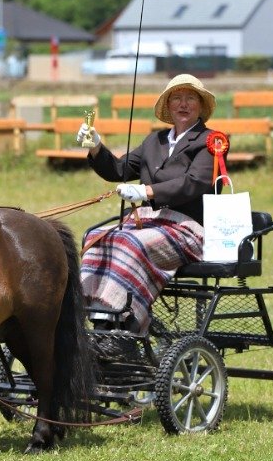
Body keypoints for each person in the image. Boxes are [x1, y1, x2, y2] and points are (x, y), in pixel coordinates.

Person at [76, 74, 219, 333]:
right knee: (96, 237)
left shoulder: (210, 141)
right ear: (169, 105)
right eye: (177, 98)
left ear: (200, 106)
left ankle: (126, 322)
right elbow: (118, 170)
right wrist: (97, 147)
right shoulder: (155, 141)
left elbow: (195, 182)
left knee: (130, 243)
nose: (183, 104)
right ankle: (98, 315)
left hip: (187, 229)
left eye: (190, 98)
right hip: (148, 224)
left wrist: (147, 191)